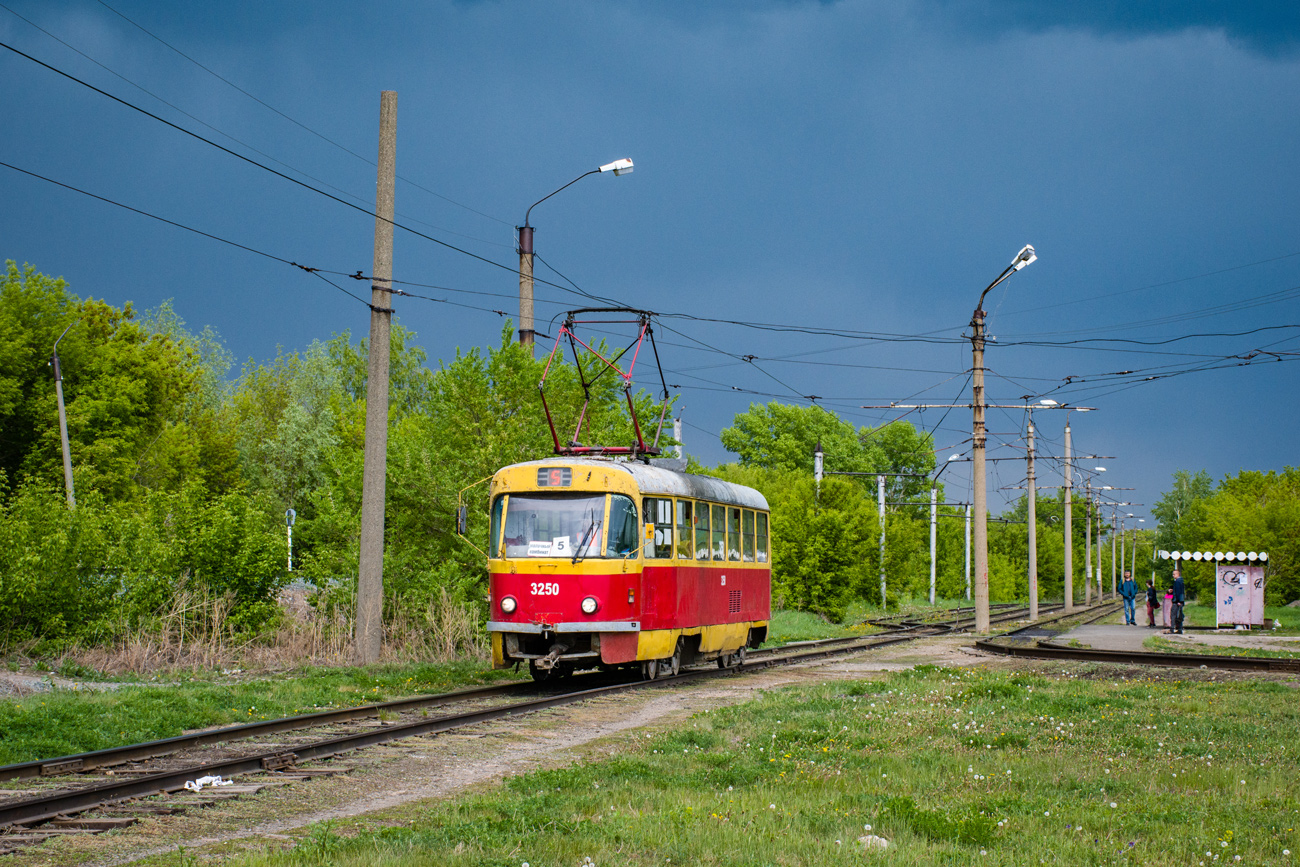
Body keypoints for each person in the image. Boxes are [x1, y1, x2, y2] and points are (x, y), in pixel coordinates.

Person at [1171, 569, 1185, 634]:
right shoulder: (1181, 581)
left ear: (1177, 574)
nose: (1173, 575)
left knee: (1173, 614)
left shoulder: (1177, 582)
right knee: (1179, 615)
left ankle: (1172, 628)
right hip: (1180, 601)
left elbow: (1178, 592)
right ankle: (1179, 628)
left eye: (1174, 574)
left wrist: (1178, 600)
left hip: (1177, 601)